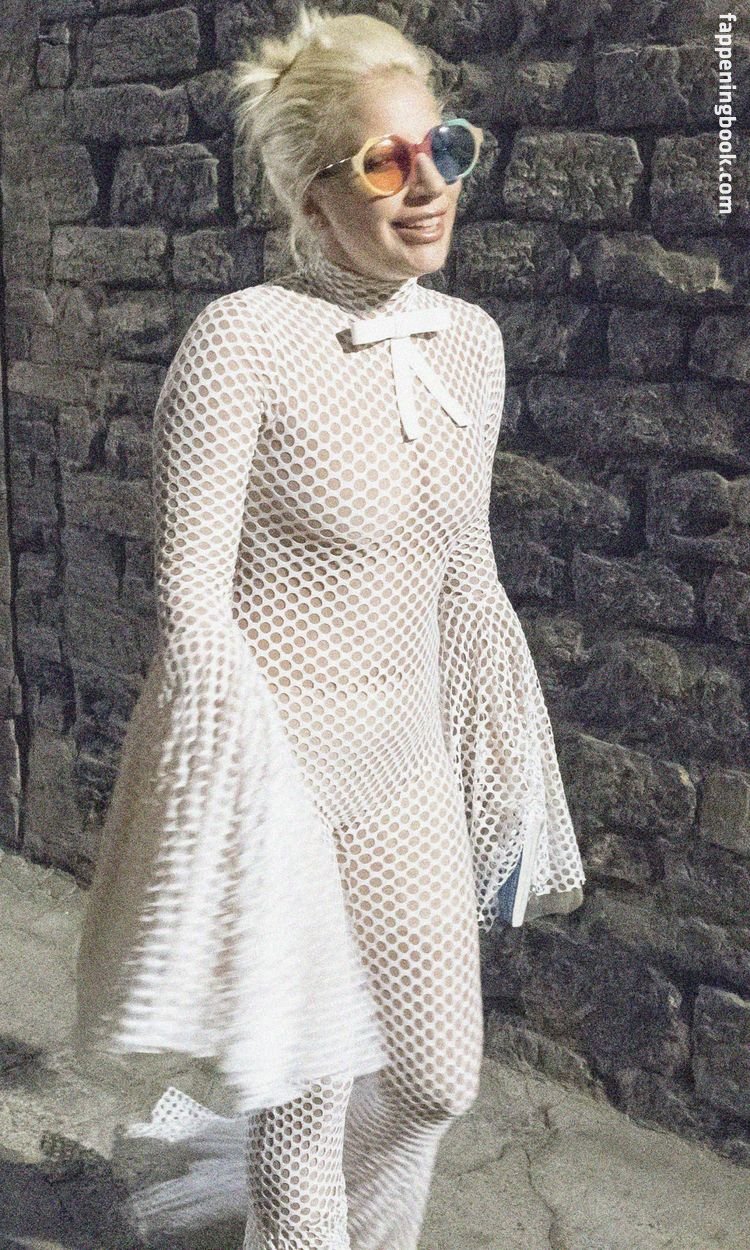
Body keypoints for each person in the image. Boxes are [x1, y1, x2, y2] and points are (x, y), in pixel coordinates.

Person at [70, 6, 585, 1248]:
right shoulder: (243, 340)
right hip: (280, 787)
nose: (428, 187)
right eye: (385, 162)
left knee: (432, 1082)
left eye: (443, 149)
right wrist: (239, 815)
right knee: (301, 1123)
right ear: (313, 191)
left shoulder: (474, 344)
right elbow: (191, 602)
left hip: (405, 779)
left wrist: (508, 765)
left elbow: (465, 571)